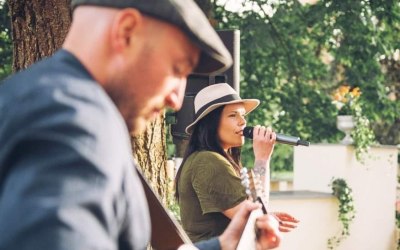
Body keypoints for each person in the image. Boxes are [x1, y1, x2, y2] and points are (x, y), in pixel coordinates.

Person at [0, 0, 282, 249]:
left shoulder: (35, 100)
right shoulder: (75, 125)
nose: (176, 99)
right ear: (126, 31)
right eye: (176, 68)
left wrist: (222, 244)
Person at [175, 83, 299, 242]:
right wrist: (262, 159)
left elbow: (255, 214)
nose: (242, 122)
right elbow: (255, 218)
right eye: (233, 115)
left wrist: (269, 217)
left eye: (243, 116)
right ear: (211, 123)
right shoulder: (208, 161)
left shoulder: (207, 159)